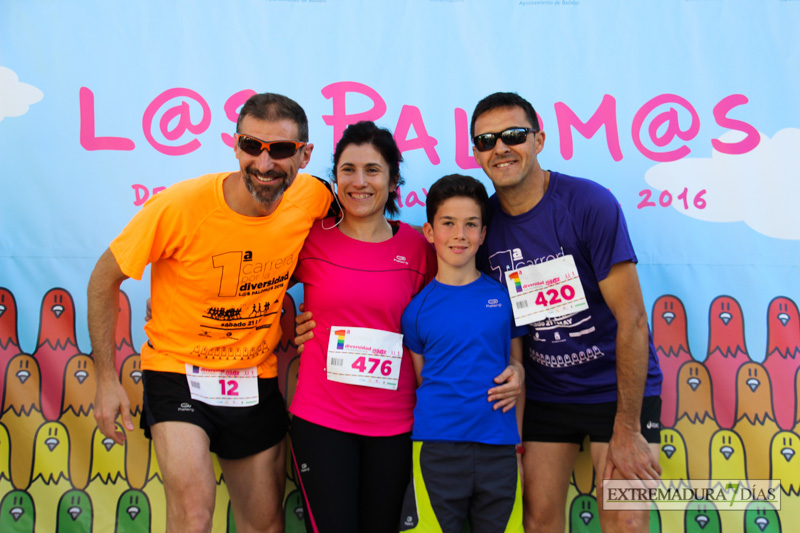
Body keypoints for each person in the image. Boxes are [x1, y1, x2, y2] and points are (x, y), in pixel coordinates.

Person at [88, 92, 333, 533]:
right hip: (178, 370)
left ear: (305, 155)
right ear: (235, 145)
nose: (263, 162)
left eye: (280, 150)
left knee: (265, 524)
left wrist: (328, 311)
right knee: (194, 515)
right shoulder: (179, 206)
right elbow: (103, 279)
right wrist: (106, 381)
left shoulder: (315, 198)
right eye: (250, 146)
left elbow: (351, 248)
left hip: (254, 377)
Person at [470, 92, 663, 532]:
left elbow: (633, 319)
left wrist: (628, 427)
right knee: (537, 522)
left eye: (513, 135)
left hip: (618, 390)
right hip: (546, 395)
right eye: (486, 140)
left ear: (538, 139)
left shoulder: (588, 204)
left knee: (628, 520)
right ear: (477, 154)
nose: (500, 147)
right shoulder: (481, 224)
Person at [288, 121, 437, 533]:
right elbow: (258, 288)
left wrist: (510, 364)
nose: (359, 181)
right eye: (348, 169)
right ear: (335, 177)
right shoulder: (309, 239)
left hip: (396, 425)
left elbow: (448, 319)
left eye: (372, 170)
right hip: (321, 420)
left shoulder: (419, 248)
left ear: (392, 182)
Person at [397, 174, 526, 533]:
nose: (459, 234)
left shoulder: (502, 298)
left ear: (483, 234)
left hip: (499, 448)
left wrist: (516, 442)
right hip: (436, 449)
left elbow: (515, 364)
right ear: (428, 231)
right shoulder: (416, 310)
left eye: (471, 224)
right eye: (448, 223)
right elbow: (422, 379)